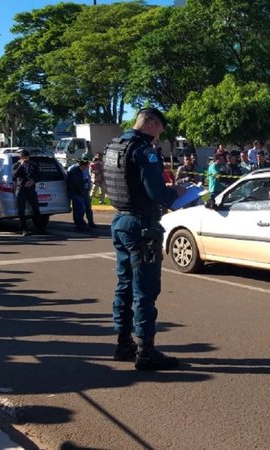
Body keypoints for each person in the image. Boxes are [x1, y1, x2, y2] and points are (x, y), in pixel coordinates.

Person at [104, 107, 182, 371]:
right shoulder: (144, 151)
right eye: (160, 128)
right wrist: (175, 193)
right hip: (142, 225)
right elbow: (156, 192)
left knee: (124, 286)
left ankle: (123, 343)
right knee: (145, 291)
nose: (159, 135)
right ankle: (146, 351)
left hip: (121, 221)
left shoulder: (115, 146)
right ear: (151, 124)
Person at [13, 149, 43, 236]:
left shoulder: (33, 165)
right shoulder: (16, 165)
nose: (26, 159)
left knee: (36, 208)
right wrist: (21, 166)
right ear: (20, 157)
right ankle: (24, 229)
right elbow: (14, 175)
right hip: (21, 189)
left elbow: (39, 175)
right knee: (21, 210)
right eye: (24, 157)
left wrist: (33, 181)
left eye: (27, 157)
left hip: (31, 189)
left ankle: (39, 228)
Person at [67, 156, 96, 230]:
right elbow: (75, 183)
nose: (86, 168)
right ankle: (80, 224)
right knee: (79, 208)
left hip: (84, 190)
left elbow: (86, 179)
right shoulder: (73, 170)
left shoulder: (82, 169)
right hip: (76, 192)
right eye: (86, 166)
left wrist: (87, 187)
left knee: (87, 207)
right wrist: (80, 191)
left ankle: (90, 222)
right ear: (82, 164)